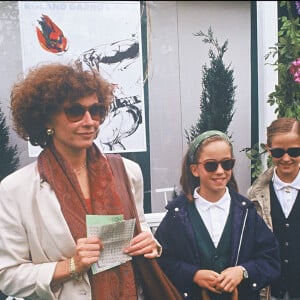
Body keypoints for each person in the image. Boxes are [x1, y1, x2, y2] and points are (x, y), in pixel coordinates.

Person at [0, 62, 162, 300]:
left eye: (95, 110)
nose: (89, 121)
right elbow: (7, 275)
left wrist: (150, 244)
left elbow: (141, 229)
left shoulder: (128, 172)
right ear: (46, 120)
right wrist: (71, 266)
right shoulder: (16, 189)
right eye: (75, 111)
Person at [154, 130, 281, 300]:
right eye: (211, 165)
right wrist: (193, 274)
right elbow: (162, 263)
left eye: (227, 164)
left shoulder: (246, 213)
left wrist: (243, 272)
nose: (220, 171)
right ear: (194, 170)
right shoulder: (177, 216)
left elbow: (271, 260)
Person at [247, 117, 300, 300]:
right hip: (270, 292)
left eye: (294, 151)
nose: (286, 158)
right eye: (278, 151)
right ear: (269, 150)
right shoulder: (254, 196)